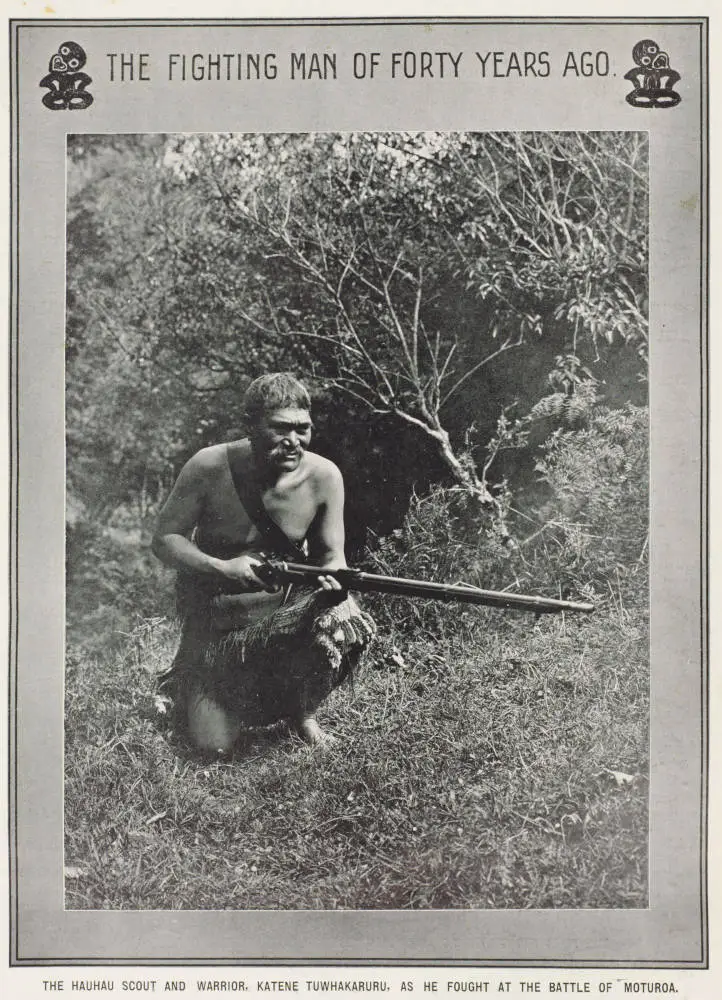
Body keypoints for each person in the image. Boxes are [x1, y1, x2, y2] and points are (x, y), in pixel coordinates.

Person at [152, 373, 375, 753]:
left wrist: (335, 579)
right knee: (216, 746)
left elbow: (331, 555)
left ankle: (302, 711)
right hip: (217, 627)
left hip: (285, 617)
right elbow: (164, 541)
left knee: (346, 621)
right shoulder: (209, 466)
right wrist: (220, 568)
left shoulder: (324, 477)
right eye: (281, 429)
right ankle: (189, 679)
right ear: (251, 426)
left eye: (303, 429)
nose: (294, 442)